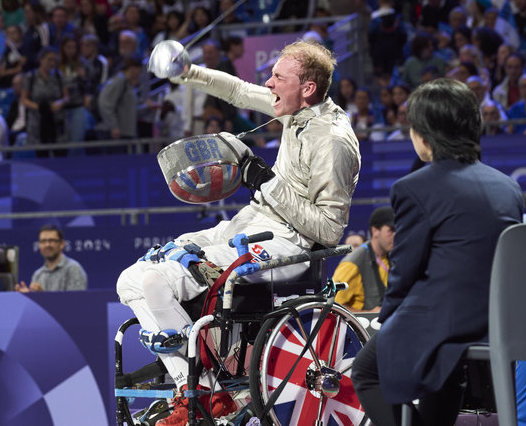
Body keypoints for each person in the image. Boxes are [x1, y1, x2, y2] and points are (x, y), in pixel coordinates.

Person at [117, 39, 360, 425]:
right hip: (250, 223)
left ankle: (199, 394)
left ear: (307, 88)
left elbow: (329, 231)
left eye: (278, 77)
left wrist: (265, 181)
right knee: (130, 279)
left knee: (155, 282)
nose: (269, 82)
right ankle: (198, 388)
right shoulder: (295, 108)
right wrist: (188, 72)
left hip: (287, 245)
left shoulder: (332, 140)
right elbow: (239, 91)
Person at [351, 78, 524, 426]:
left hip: (441, 321)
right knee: (444, 364)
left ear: (424, 134)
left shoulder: (413, 188)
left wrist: (387, 316)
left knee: (366, 370)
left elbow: (405, 268)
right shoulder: (508, 187)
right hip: (498, 321)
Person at [333, 206, 395, 312]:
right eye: (391, 230)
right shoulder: (352, 264)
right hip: (362, 327)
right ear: (375, 231)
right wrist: (370, 314)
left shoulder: (393, 257)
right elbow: (333, 307)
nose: (395, 235)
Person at [15, 224, 87, 292]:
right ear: (39, 245)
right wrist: (30, 296)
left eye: (51, 240)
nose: (47, 245)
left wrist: (43, 296)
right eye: (43, 241)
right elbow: (36, 304)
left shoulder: (73, 268)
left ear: (62, 244)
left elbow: (76, 302)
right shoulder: (38, 274)